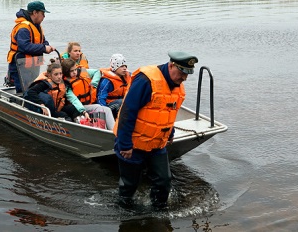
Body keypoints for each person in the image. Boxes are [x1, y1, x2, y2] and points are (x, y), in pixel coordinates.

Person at [113, 51, 198, 209]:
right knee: (129, 184)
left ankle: (158, 211)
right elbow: (127, 111)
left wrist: (170, 133)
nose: (184, 78)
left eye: (187, 74)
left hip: (157, 143)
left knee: (164, 180)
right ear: (171, 65)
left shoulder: (178, 87)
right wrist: (125, 144)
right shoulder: (146, 80)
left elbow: (168, 112)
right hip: (133, 142)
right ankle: (126, 212)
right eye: (182, 73)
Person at [6, 1, 55, 93]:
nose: (44, 16)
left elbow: (42, 41)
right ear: (35, 13)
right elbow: (24, 46)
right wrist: (44, 48)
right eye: (42, 13)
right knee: (24, 91)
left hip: (32, 64)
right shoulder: (23, 28)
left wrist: (47, 46)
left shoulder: (36, 26)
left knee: (34, 89)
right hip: (20, 65)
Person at [24, 61, 90, 122]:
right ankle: (69, 125)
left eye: (60, 74)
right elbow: (31, 92)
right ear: (49, 75)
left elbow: (73, 99)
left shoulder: (64, 84)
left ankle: (79, 121)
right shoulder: (45, 84)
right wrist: (41, 105)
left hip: (58, 108)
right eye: (56, 74)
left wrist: (84, 112)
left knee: (73, 109)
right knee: (65, 116)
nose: (59, 77)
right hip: (49, 110)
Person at [61, 58, 115, 130]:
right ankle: (107, 132)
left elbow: (97, 72)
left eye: (75, 69)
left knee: (107, 109)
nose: (74, 72)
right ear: (66, 72)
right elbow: (74, 100)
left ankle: (114, 131)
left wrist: (94, 83)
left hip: (89, 104)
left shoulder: (82, 72)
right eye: (71, 71)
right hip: (78, 108)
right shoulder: (66, 85)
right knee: (99, 108)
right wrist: (83, 111)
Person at [97, 54, 131, 118]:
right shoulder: (106, 81)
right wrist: (104, 112)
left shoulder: (128, 76)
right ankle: (118, 124)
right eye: (121, 66)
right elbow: (100, 98)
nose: (125, 68)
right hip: (109, 106)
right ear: (115, 68)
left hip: (124, 104)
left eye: (125, 66)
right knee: (120, 103)